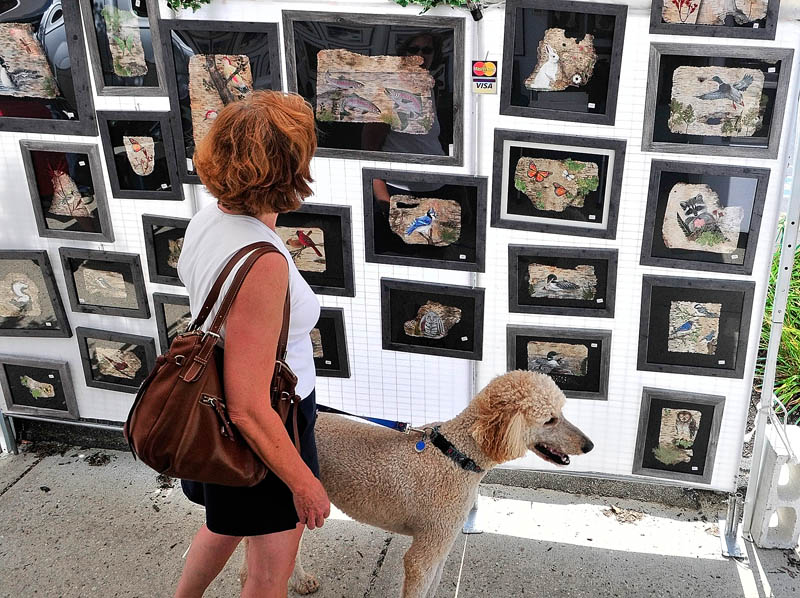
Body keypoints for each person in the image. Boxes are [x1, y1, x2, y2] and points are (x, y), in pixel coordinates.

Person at [173, 90, 330, 598]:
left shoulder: (210, 218)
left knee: (225, 524)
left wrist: (269, 207)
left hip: (211, 404)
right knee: (268, 576)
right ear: (288, 170)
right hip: (269, 420)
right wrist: (304, 482)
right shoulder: (262, 261)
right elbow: (247, 406)